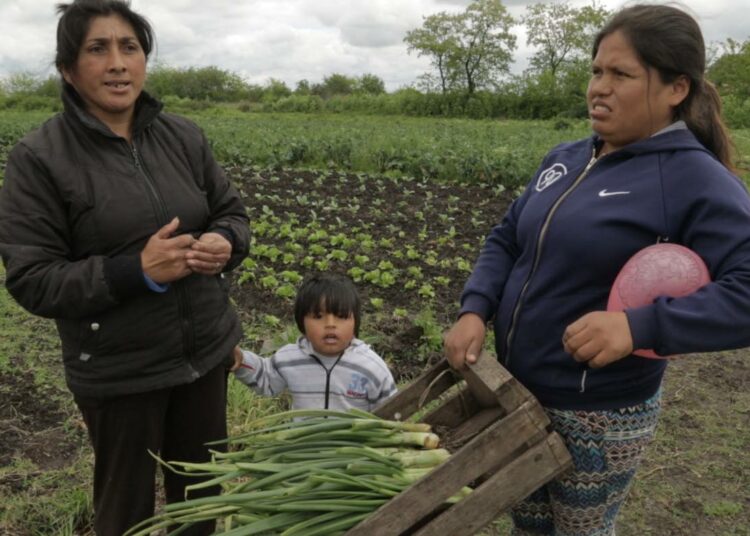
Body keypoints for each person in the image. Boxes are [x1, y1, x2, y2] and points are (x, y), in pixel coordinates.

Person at [444, 4, 750, 535]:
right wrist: (476, 308)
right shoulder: (564, 159)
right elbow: (507, 237)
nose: (599, 88)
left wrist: (638, 326)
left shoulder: (693, 179)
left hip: (597, 416)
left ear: (677, 88)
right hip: (518, 392)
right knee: (530, 528)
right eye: (596, 71)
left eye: (621, 75)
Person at [0, 1, 249, 534]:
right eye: (98, 48)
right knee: (125, 512)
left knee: (200, 501)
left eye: (129, 47)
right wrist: (137, 270)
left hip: (203, 353)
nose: (117, 63)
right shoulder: (40, 158)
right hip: (119, 370)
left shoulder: (182, 136)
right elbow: (32, 278)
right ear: (68, 69)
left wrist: (224, 241)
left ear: (144, 61)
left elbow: (231, 211)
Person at [233, 273, 398, 411]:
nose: (330, 324)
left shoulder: (369, 366)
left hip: (353, 447)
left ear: (356, 323)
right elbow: (265, 378)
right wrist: (241, 360)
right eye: (318, 317)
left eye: (341, 316)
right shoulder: (291, 358)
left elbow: (392, 409)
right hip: (305, 447)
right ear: (301, 322)